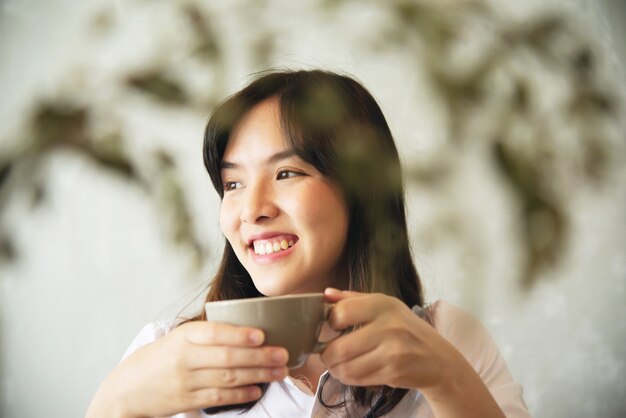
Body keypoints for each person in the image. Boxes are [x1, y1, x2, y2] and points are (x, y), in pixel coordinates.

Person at [85, 69, 531, 418]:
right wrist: (114, 402)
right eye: (233, 183)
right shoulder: (162, 356)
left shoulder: (448, 338)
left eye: (286, 173)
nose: (251, 209)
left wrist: (446, 378)